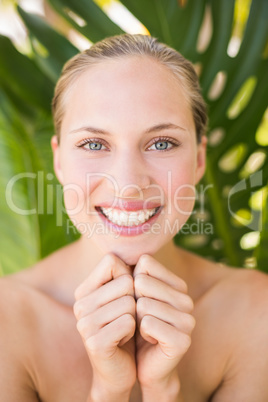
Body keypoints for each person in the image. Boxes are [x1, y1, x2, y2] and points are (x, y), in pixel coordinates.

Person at [1, 33, 268, 402]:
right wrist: (110, 392)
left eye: (161, 143)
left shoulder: (257, 313)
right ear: (59, 160)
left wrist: (162, 390)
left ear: (199, 159)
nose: (127, 185)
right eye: (94, 144)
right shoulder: (6, 322)